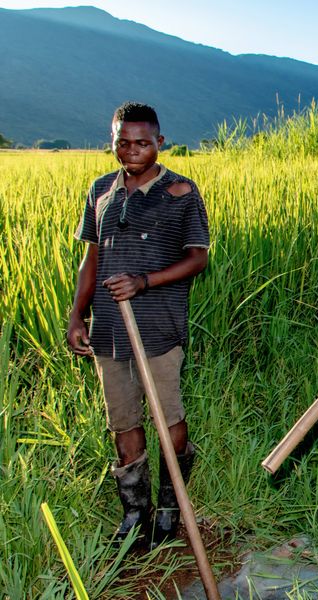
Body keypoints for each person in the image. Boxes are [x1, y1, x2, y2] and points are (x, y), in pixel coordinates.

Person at [66, 102, 209, 549]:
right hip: (109, 329)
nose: (132, 151)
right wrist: (77, 314)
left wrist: (144, 281)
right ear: (113, 142)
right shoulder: (101, 190)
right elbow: (91, 260)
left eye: (142, 143)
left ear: (159, 143)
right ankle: (135, 514)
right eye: (122, 142)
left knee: (168, 419)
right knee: (123, 422)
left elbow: (198, 258)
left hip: (158, 328)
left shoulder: (180, 192)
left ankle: (170, 507)